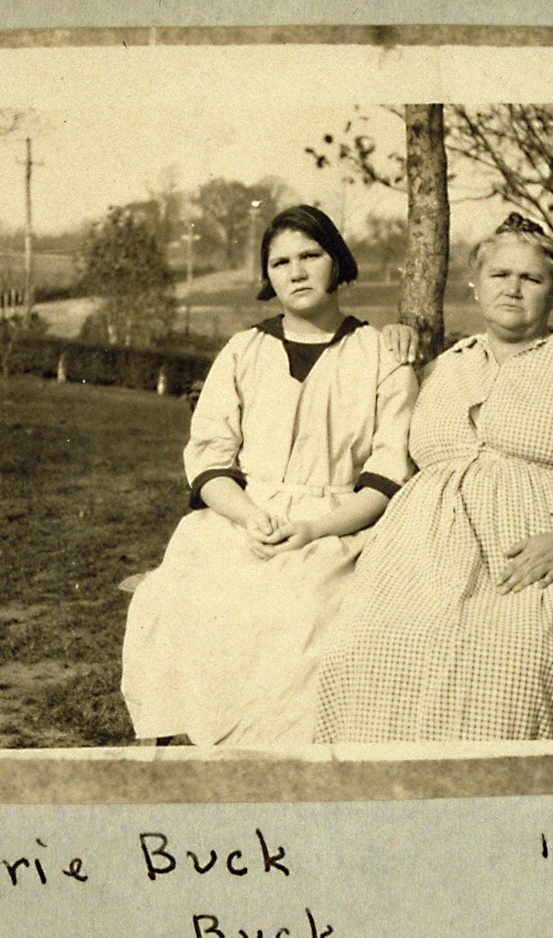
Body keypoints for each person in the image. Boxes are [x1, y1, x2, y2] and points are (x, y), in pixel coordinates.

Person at [315, 213, 553, 742]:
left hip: (541, 553)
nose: (513, 288)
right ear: (476, 285)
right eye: (501, 275)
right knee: (363, 649)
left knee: (510, 665)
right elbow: (373, 420)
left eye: (532, 278)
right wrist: (394, 338)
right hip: (423, 558)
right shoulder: (445, 365)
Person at [121, 205, 420, 746]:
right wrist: (248, 514)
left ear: (338, 263)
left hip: (338, 525)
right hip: (242, 518)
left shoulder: (379, 354)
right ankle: (189, 750)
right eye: (280, 262)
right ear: (268, 275)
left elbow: (387, 470)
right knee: (175, 602)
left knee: (301, 619)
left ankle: (275, 767)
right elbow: (209, 456)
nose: (297, 272)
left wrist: (315, 529)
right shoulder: (244, 350)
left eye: (311, 255)